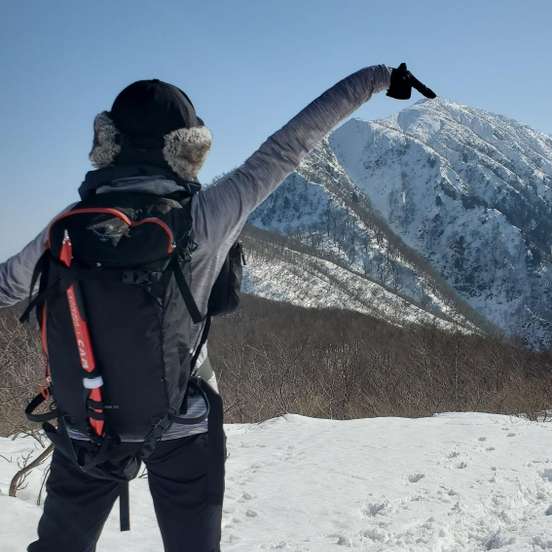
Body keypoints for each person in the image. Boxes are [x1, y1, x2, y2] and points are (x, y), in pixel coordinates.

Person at [0, 63, 435, 552]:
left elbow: (6, 287)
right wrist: (377, 78)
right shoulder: (206, 215)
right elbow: (290, 145)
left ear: (109, 142)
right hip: (183, 424)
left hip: (89, 420)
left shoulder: (68, 226)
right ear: (187, 148)